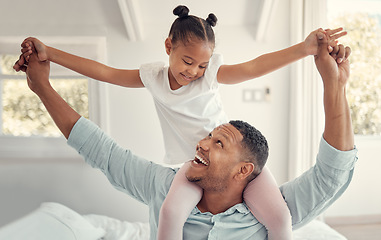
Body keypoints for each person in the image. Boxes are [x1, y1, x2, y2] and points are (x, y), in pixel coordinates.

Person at [14, 5, 347, 240]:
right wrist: (51, 54)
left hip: (229, 162)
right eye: (188, 62)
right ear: (168, 46)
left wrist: (303, 49)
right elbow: (105, 72)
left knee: (281, 217)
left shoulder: (210, 77)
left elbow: (253, 66)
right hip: (190, 165)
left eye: (201, 65)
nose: (194, 72)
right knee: (171, 213)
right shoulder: (153, 78)